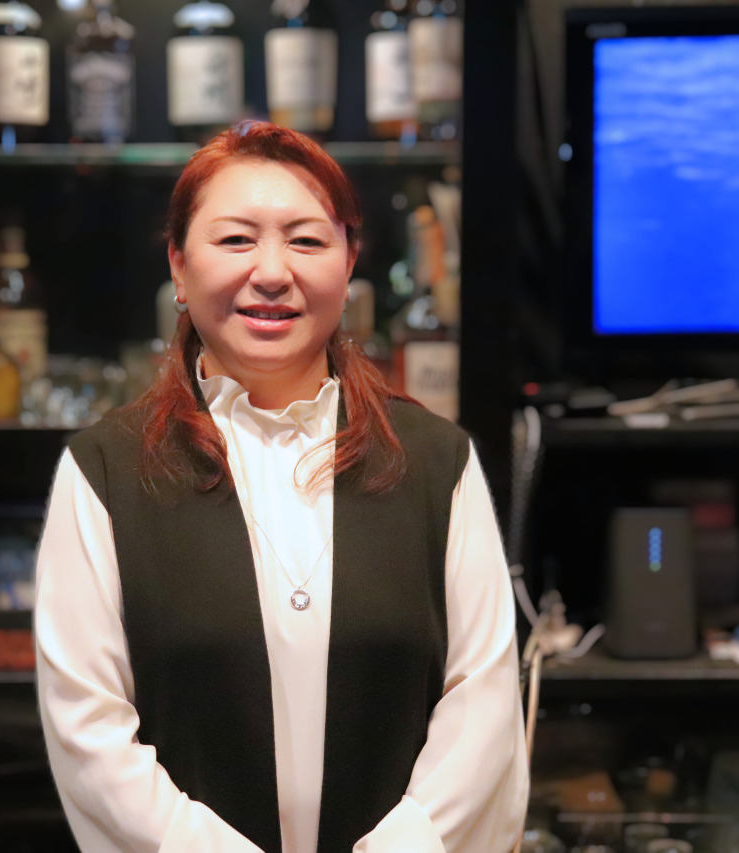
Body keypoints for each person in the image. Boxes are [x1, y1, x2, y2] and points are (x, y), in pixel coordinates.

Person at [35, 120, 528, 853]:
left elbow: (483, 704)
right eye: (236, 240)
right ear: (178, 266)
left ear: (349, 262)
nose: (272, 272)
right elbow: (89, 729)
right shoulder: (108, 470)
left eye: (306, 241)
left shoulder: (434, 461)